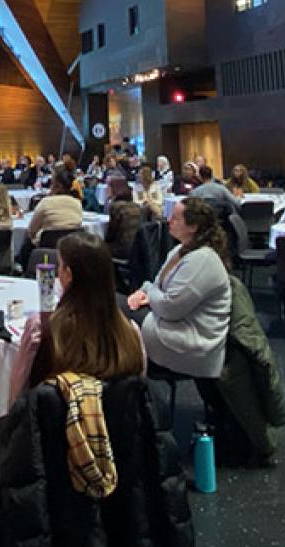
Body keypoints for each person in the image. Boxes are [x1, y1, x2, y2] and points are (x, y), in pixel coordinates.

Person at [13, 233, 145, 397]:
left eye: (59, 266)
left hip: (55, 420)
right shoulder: (132, 333)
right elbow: (137, 391)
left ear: (68, 274)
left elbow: (18, 394)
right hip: (115, 420)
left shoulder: (41, 329)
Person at [127, 198, 231, 378]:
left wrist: (150, 295)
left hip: (191, 344)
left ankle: (130, 387)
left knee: (115, 318)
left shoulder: (203, 260)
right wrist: (142, 291)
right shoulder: (181, 250)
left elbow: (169, 308)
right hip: (174, 325)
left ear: (193, 227)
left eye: (175, 218)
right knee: (115, 310)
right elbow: (157, 283)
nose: (169, 221)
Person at [19, 169, 84, 270]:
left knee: (26, 245)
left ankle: (26, 272)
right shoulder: (77, 203)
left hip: (47, 249)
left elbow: (31, 231)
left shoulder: (46, 203)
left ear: (55, 186)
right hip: (73, 249)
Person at [104, 175, 143, 263]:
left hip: (123, 249)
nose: (106, 189)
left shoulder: (116, 207)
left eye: (109, 187)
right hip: (137, 247)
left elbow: (111, 234)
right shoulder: (136, 206)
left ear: (115, 188)